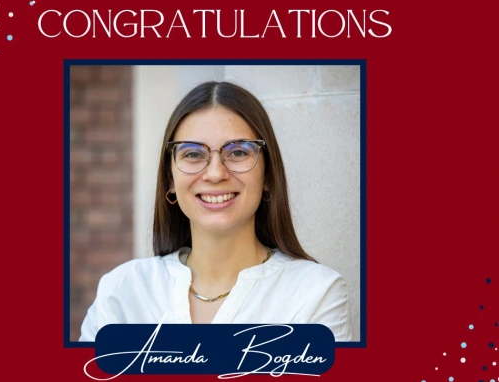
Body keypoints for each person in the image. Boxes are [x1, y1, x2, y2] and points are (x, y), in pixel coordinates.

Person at [79, 81, 354, 341]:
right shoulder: (122, 290)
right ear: (170, 180)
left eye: (238, 152)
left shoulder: (316, 293)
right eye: (192, 154)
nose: (214, 173)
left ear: (268, 175)